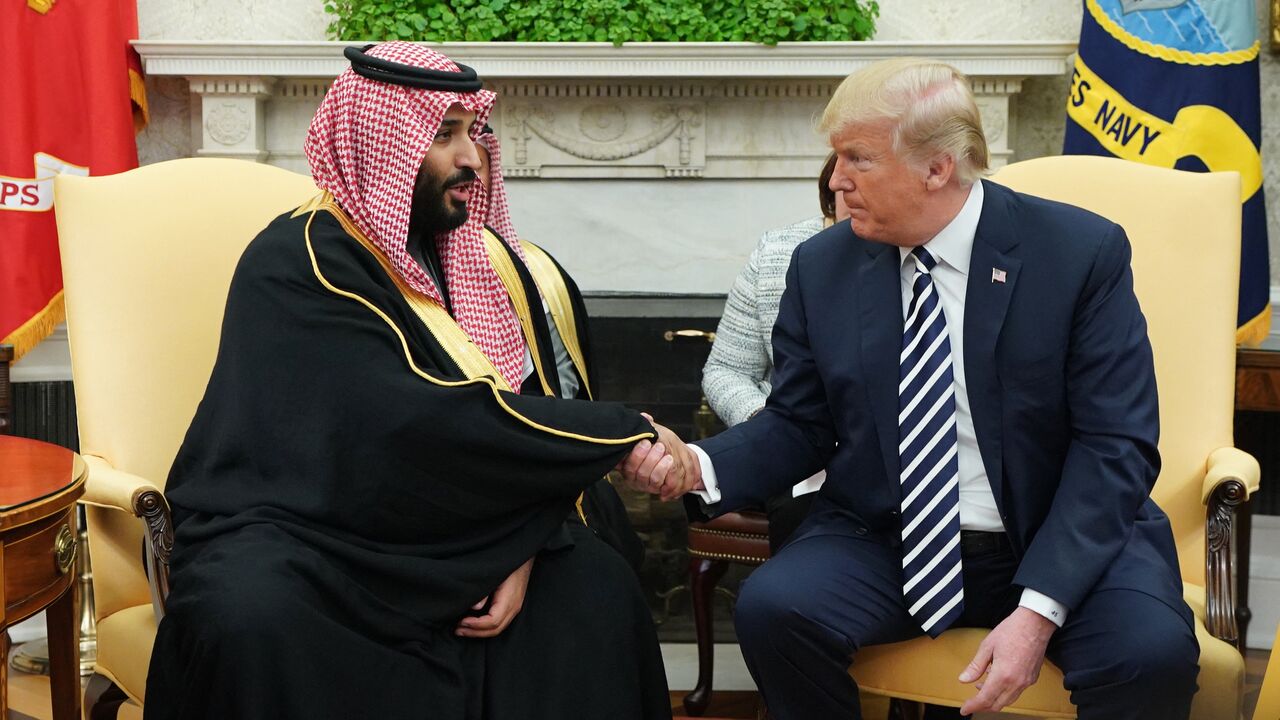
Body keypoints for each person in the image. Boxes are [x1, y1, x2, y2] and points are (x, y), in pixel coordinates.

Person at [622, 57, 1198, 720]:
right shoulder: (824, 265)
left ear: (937, 168)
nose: (836, 181)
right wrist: (696, 463)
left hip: (1058, 531)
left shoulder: (1077, 254)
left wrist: (1038, 609)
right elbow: (799, 425)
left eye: (856, 159)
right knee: (776, 610)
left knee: (1148, 655)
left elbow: (1114, 445)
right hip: (888, 536)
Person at [144, 42, 674, 720]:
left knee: (593, 592)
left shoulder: (497, 270)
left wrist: (523, 547)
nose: (471, 159)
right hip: (307, 532)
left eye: (474, 132)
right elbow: (408, 424)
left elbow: (535, 414)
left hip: (464, 527)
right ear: (379, 144)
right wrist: (627, 432)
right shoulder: (297, 263)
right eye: (444, 134)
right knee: (247, 616)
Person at [702, 152, 849, 552]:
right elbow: (725, 370)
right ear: (832, 194)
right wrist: (770, 423)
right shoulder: (778, 253)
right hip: (797, 456)